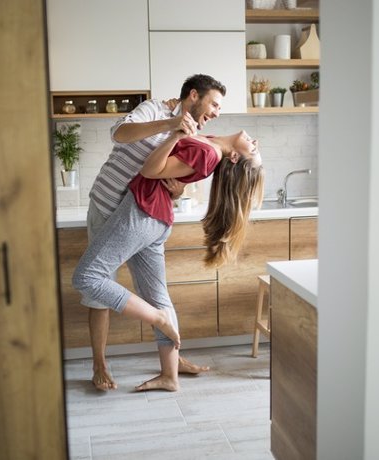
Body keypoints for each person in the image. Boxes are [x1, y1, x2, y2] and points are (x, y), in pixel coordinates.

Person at [73, 128, 264, 391]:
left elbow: (151, 169)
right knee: (158, 295)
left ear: (234, 157)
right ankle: (170, 375)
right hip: (157, 218)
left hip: (143, 213)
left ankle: (157, 318)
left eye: (253, 150)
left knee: (87, 277)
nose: (255, 142)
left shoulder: (209, 151)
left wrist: (155, 318)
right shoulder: (210, 142)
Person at [83, 74, 226, 391]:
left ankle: (173, 362)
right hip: (108, 207)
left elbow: (168, 176)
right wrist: (170, 125)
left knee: (157, 293)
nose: (216, 112)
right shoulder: (154, 109)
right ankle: (99, 364)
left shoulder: (194, 133)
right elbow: (119, 133)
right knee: (96, 288)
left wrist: (176, 193)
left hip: (141, 217)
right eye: (214, 104)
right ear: (193, 95)